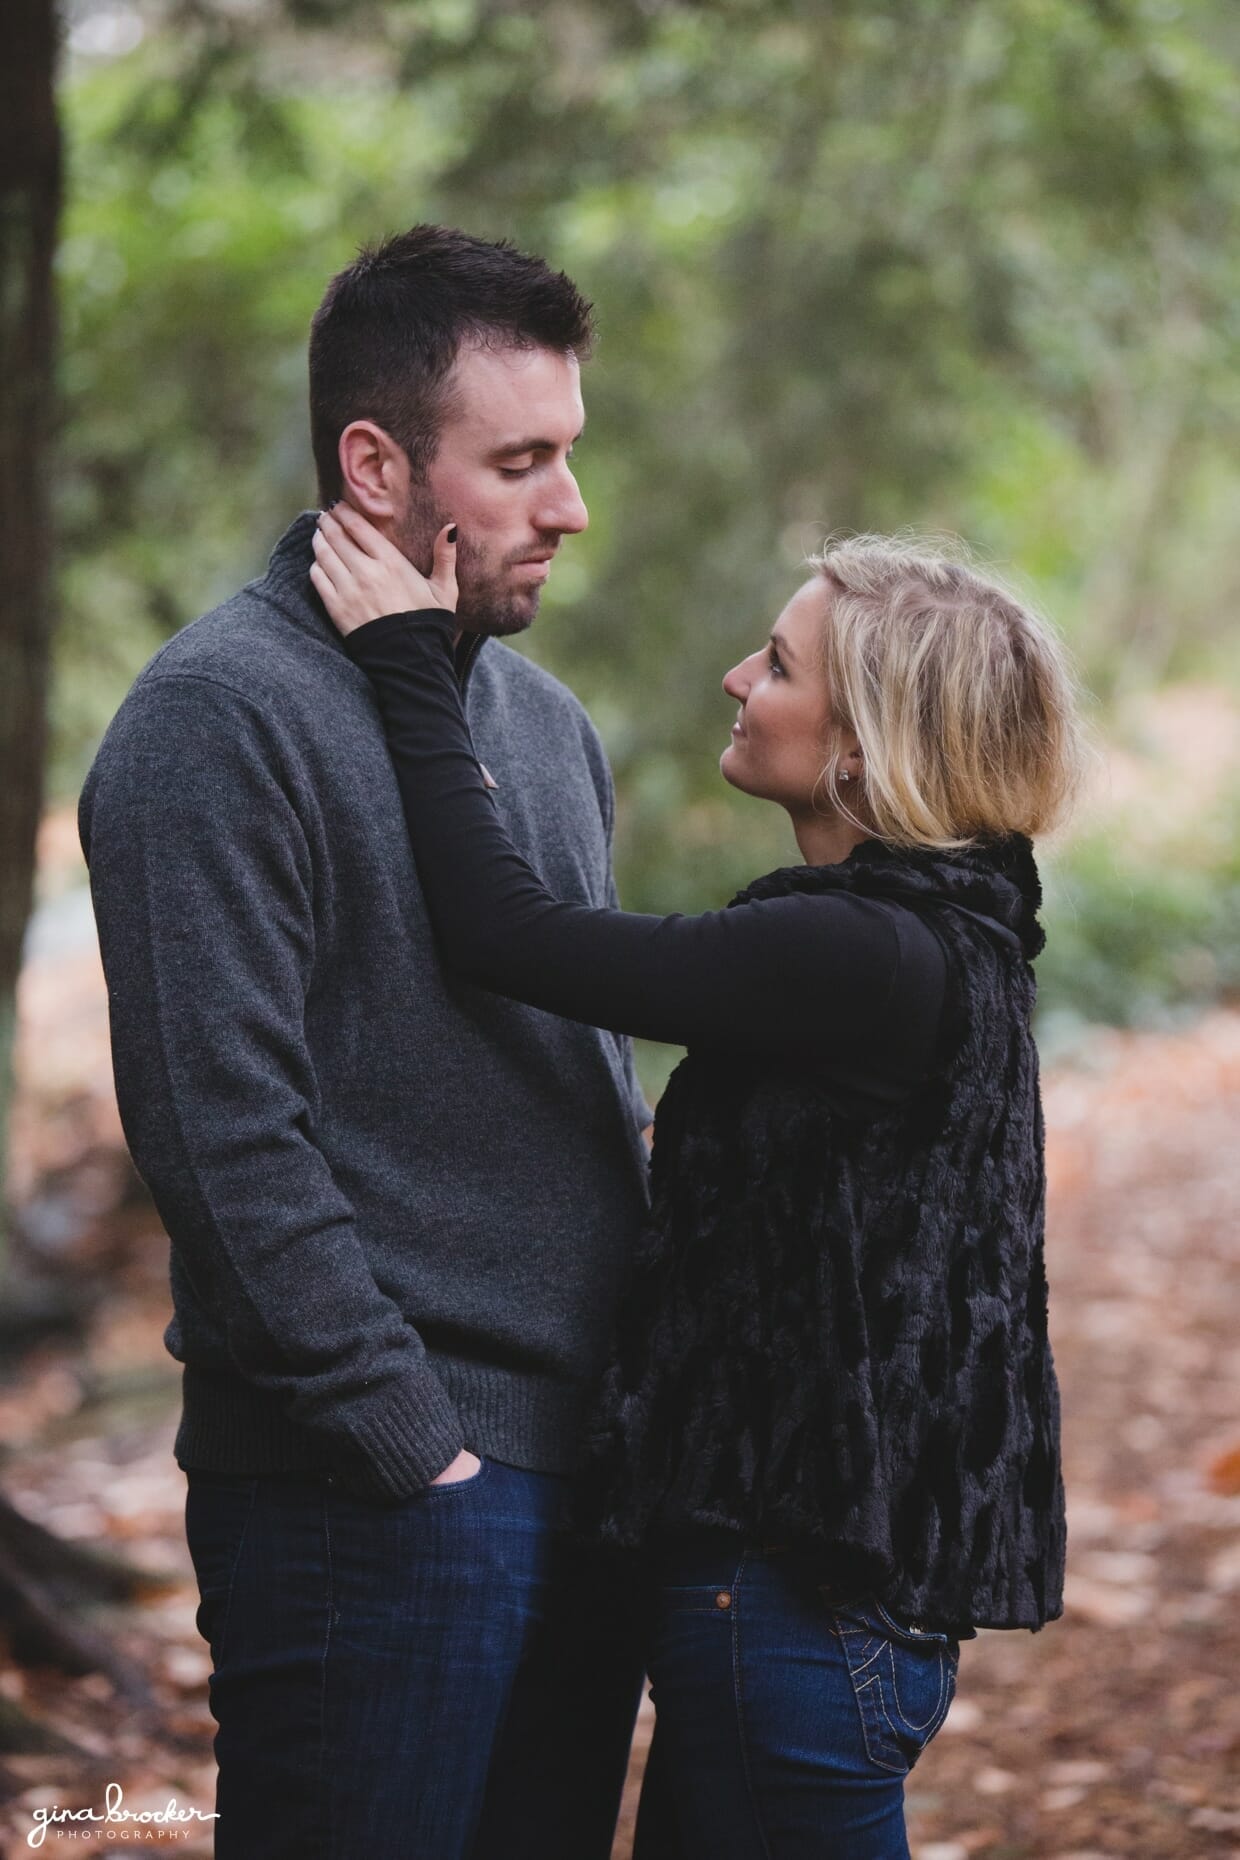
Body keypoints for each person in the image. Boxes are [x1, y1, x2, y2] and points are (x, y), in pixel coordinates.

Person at [309, 504, 1087, 1860]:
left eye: (778, 666)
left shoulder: (859, 958)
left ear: (862, 749)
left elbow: (508, 934)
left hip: (791, 1606)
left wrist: (410, 665)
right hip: (824, 1607)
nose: (739, 679)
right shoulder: (948, 939)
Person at [77, 227, 655, 1860]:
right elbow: (220, 1134)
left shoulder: (544, 727)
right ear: (376, 464)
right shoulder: (216, 721)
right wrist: (417, 1449)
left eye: (572, 456)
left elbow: (579, 1076)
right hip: (372, 1497)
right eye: (523, 461)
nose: (571, 508)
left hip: (578, 1478)